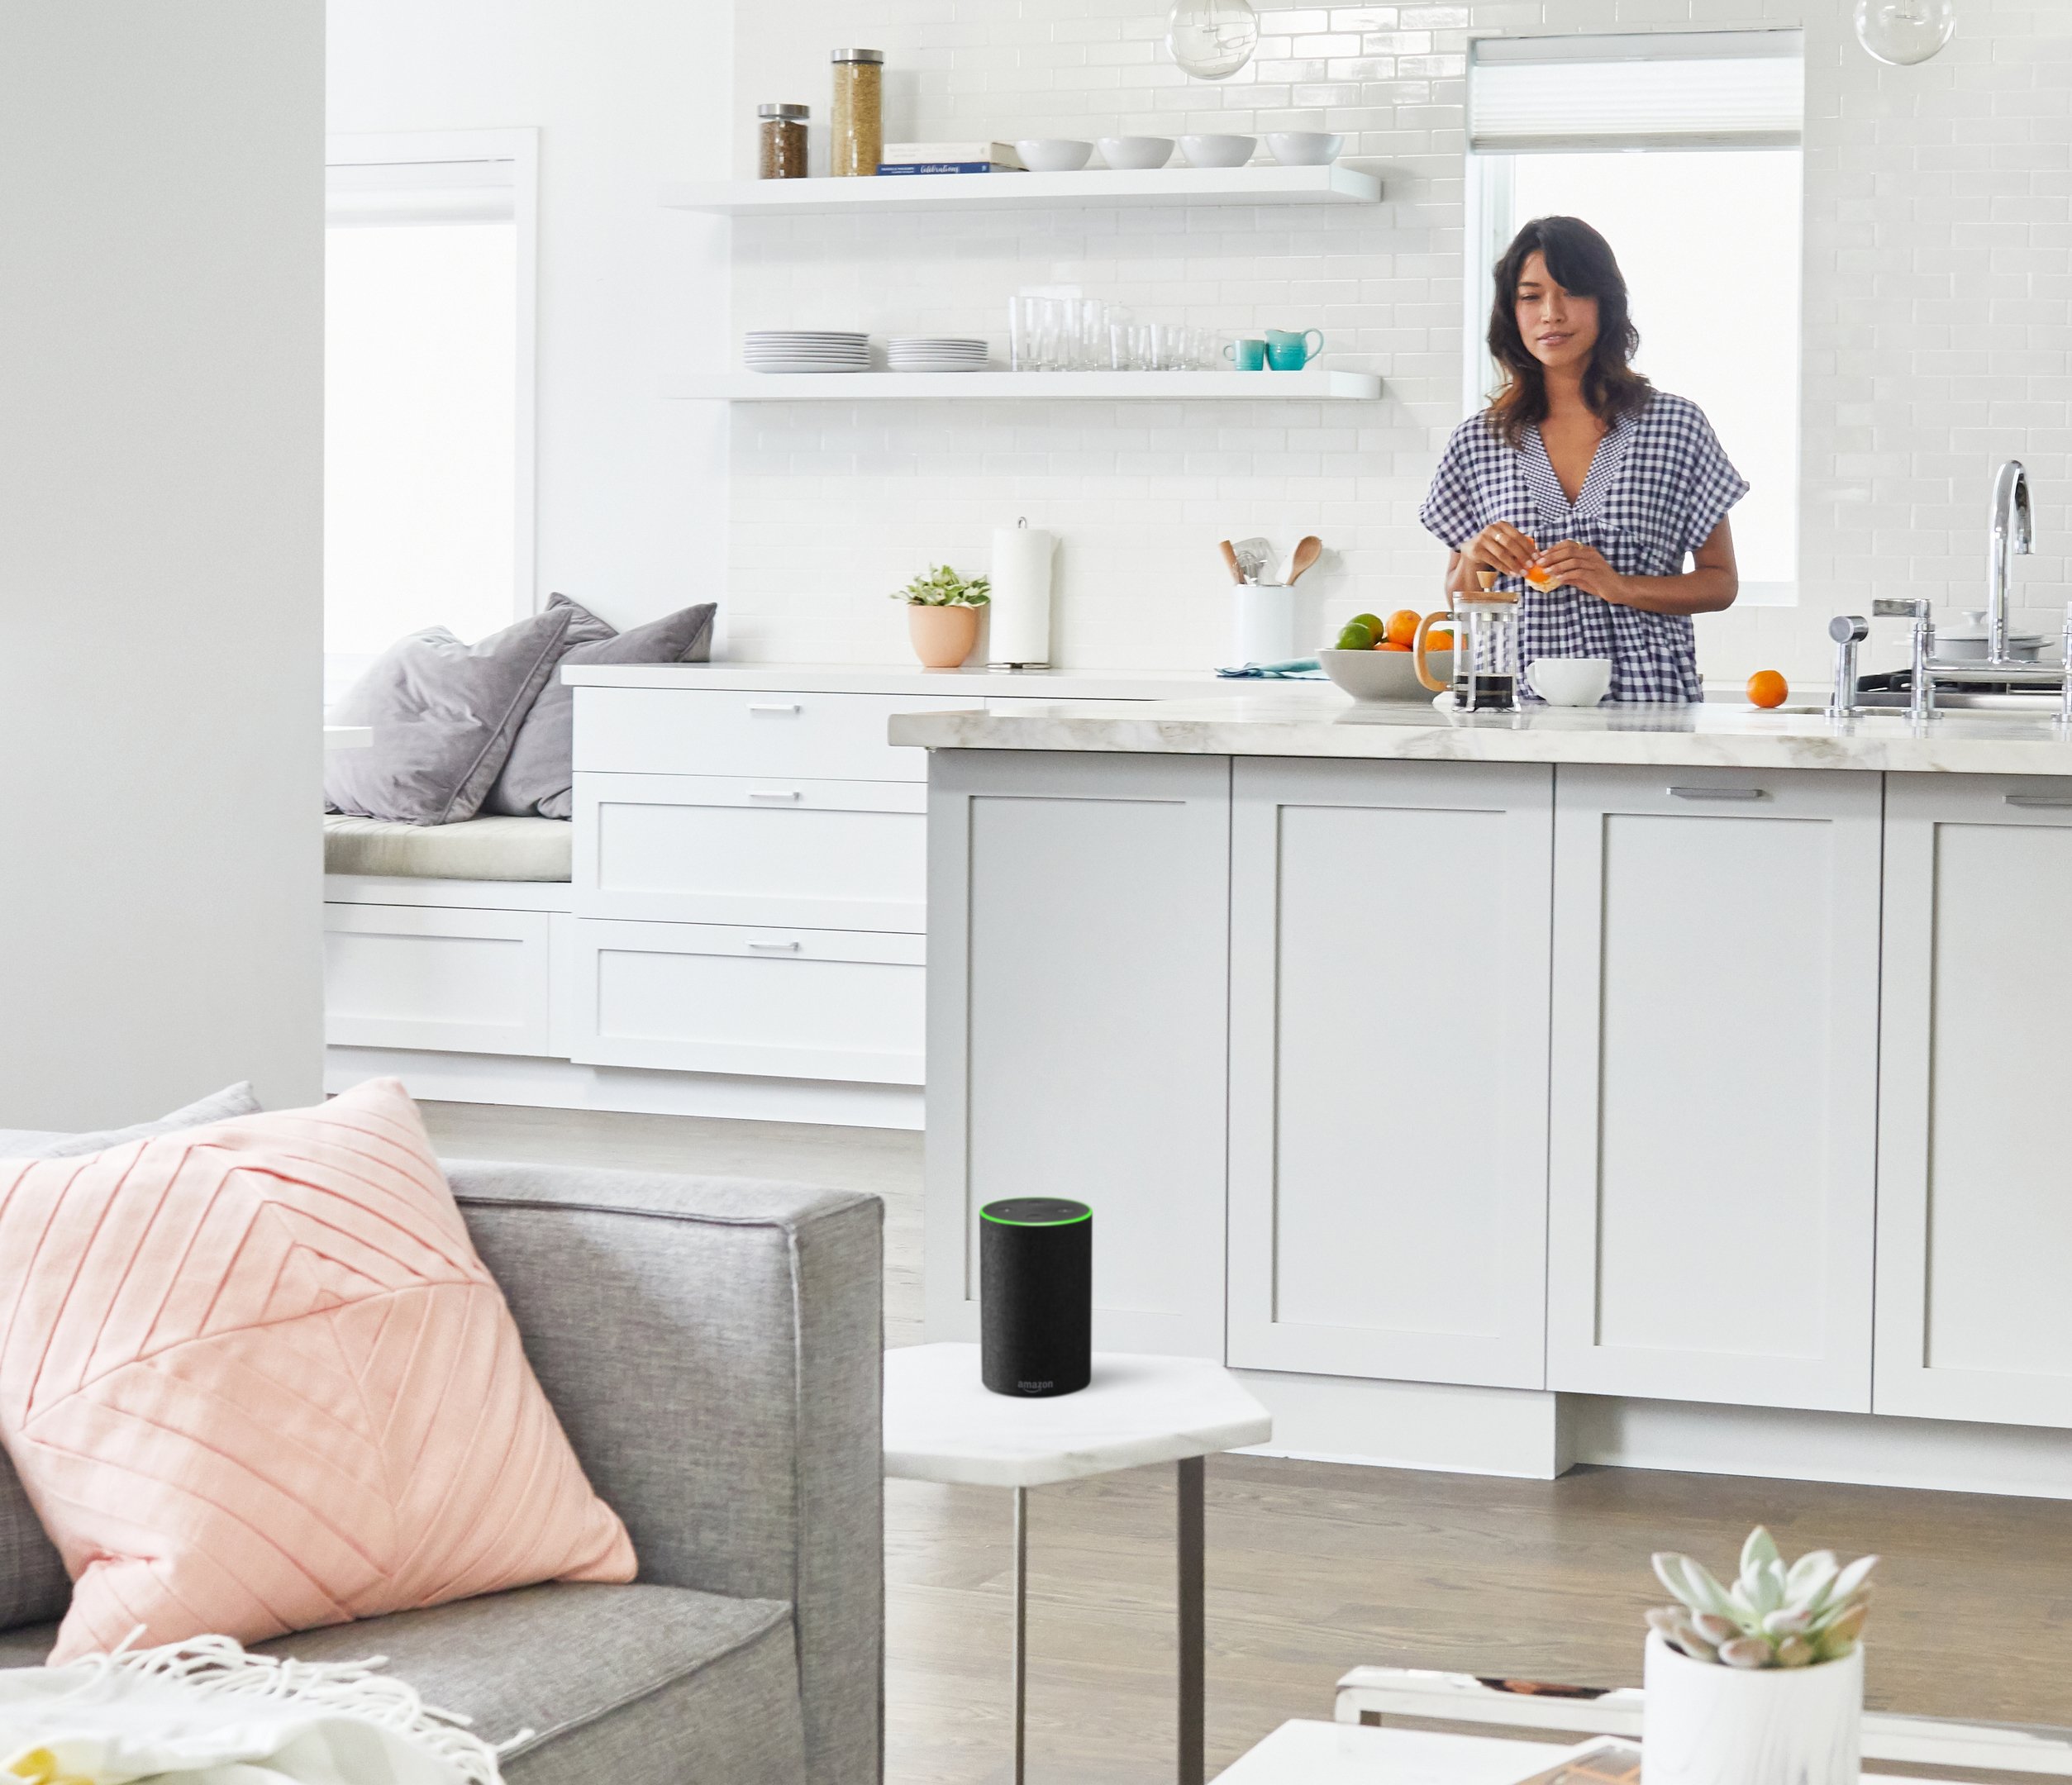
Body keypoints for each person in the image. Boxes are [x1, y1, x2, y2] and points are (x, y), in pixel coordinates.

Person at [1420, 216, 1748, 703]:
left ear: (1605, 303)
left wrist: (1621, 587)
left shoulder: (1676, 426)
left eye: (1572, 292)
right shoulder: (1478, 441)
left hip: (1647, 707)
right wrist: (1473, 554)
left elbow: (1720, 584)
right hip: (1512, 710)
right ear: (1512, 312)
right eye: (1530, 296)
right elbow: (1461, 598)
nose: (1551, 313)